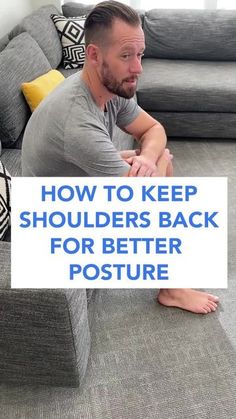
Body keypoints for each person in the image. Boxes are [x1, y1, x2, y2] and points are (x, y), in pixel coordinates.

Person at [22, 0, 219, 314]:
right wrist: (155, 162)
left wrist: (148, 159)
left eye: (139, 55)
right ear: (94, 55)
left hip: (76, 180)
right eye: (126, 56)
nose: (138, 68)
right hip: (52, 219)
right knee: (162, 170)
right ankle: (172, 287)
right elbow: (143, 193)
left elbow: (153, 128)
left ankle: (171, 281)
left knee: (154, 159)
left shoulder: (110, 87)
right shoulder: (77, 120)